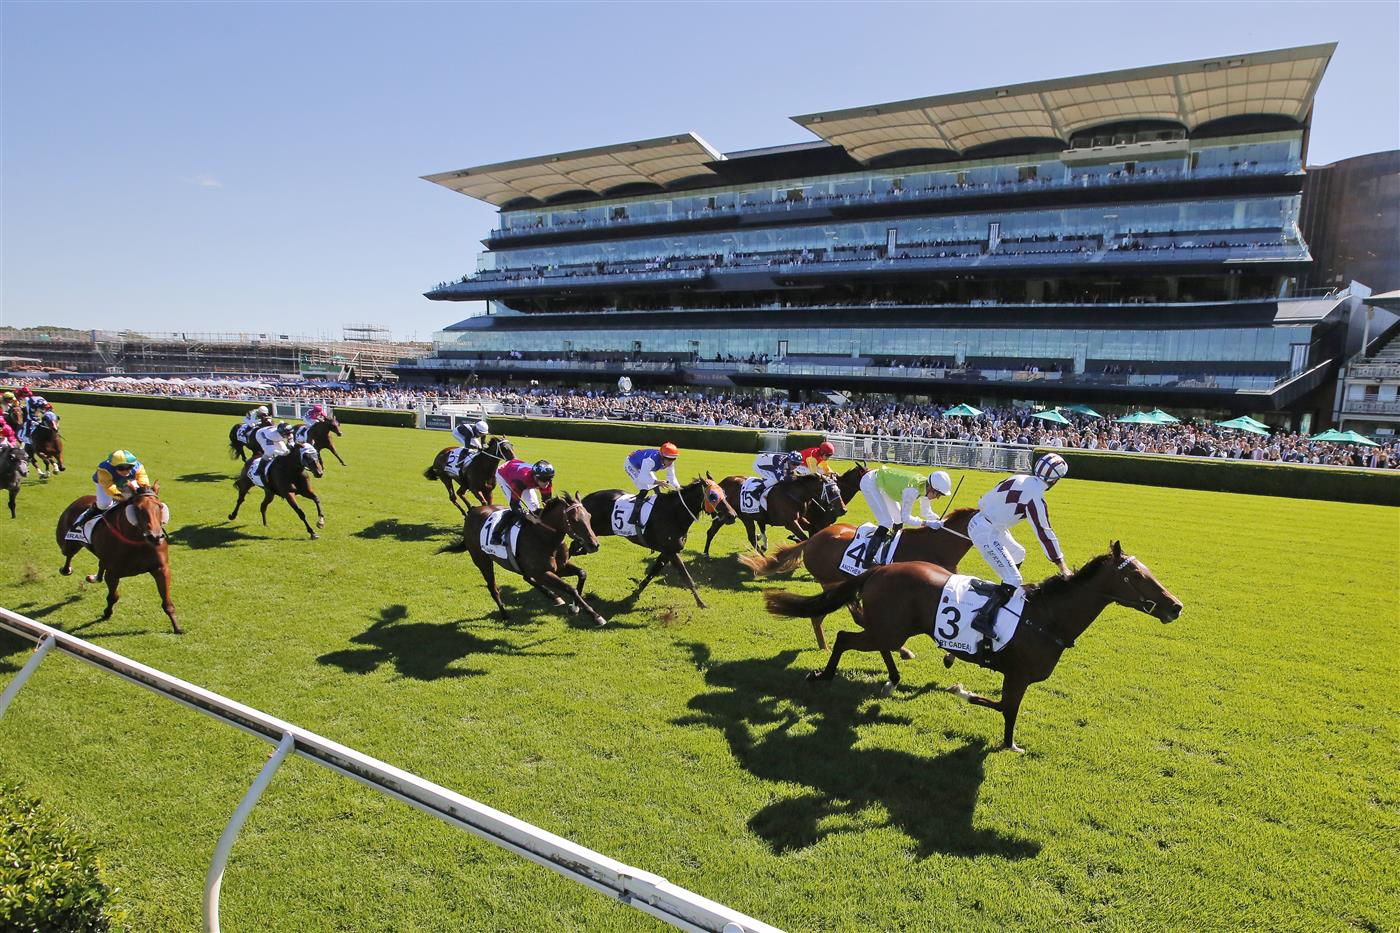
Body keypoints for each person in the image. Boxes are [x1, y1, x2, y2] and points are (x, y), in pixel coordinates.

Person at [966, 452, 1071, 654]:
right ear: (1055, 480)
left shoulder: (1019, 477)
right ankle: (982, 618)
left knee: (1018, 553)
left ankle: (1004, 595)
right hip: (987, 531)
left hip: (986, 523)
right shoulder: (1036, 499)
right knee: (1014, 578)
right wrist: (1061, 565)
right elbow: (1044, 532)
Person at [857, 466, 953, 565]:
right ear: (931, 488)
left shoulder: (925, 486)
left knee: (898, 519)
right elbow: (906, 517)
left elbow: (925, 512)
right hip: (870, 482)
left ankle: (888, 551)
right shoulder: (912, 490)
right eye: (938, 495)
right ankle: (867, 560)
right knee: (886, 521)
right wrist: (926, 523)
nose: (937, 498)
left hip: (882, 482)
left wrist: (939, 520)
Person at [65, 450, 152, 540]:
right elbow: (109, 487)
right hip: (105, 483)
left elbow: (143, 481)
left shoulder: (138, 467)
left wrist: (143, 491)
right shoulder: (104, 469)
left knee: (141, 500)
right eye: (121, 468)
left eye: (129, 467)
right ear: (113, 466)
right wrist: (119, 496)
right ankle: (88, 514)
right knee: (103, 504)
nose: (126, 471)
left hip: (127, 482)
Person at [493, 459, 555, 546]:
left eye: (549, 479)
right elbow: (514, 505)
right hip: (504, 474)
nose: (547, 484)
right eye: (544, 480)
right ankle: (496, 534)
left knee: (534, 506)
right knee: (513, 510)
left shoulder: (545, 479)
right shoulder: (520, 481)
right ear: (536, 478)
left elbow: (547, 501)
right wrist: (529, 516)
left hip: (519, 470)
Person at [623, 443, 680, 528]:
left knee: (655, 486)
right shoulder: (651, 460)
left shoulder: (669, 461)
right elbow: (642, 478)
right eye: (668, 459)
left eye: (673, 459)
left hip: (643, 465)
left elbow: (672, 478)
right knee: (645, 488)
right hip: (631, 464)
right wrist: (658, 482)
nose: (670, 462)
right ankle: (634, 517)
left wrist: (679, 488)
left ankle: (657, 508)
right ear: (662, 456)